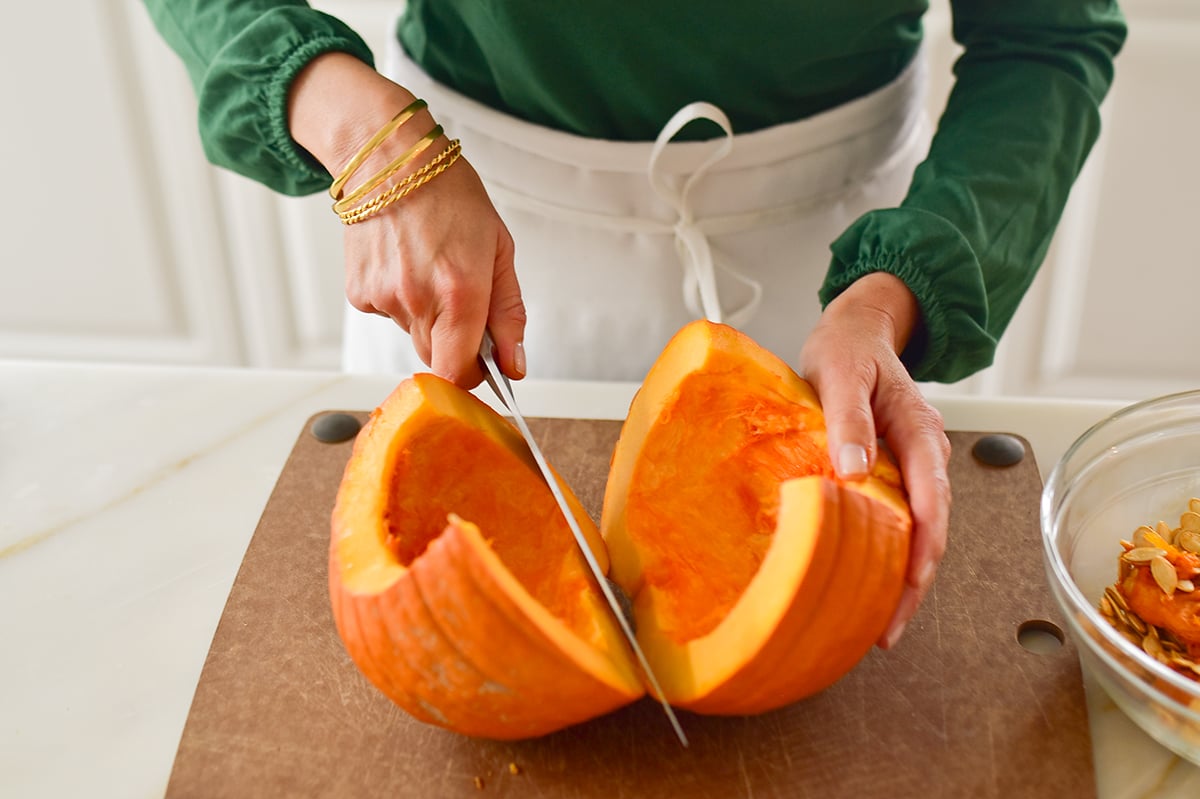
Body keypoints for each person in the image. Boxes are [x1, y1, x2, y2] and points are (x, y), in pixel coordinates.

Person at [142, 1, 1126, 649]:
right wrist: (359, 133)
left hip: (838, 271)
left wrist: (891, 292)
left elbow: (1048, 35)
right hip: (451, 215)